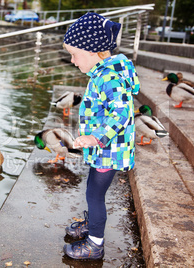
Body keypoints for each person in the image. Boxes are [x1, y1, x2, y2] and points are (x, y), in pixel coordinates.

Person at [62, 12, 140, 260]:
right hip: (106, 148)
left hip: (109, 149)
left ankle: (95, 244)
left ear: (94, 51)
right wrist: (87, 133)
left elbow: (121, 113)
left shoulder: (108, 76)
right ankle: (92, 225)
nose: (73, 60)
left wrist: (96, 138)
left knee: (94, 194)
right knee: (92, 190)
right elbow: (102, 111)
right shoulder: (103, 72)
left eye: (75, 54)